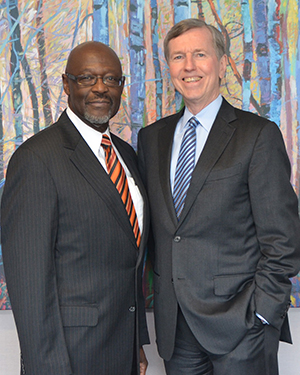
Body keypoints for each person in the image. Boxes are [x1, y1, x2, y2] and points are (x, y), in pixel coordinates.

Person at [138, 18, 300, 375]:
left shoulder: (256, 135)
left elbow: (284, 240)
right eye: (179, 57)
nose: (189, 66)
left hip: (243, 328)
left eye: (200, 54)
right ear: (169, 68)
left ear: (222, 63)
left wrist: (261, 312)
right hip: (175, 330)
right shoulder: (152, 139)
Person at [1, 41, 149, 375]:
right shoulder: (36, 159)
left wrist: (136, 341)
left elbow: (127, 262)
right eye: (87, 78)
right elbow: (29, 285)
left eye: (111, 79)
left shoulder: (126, 155)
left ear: (121, 87)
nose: (100, 87)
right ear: (67, 85)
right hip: (69, 358)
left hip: (121, 350)